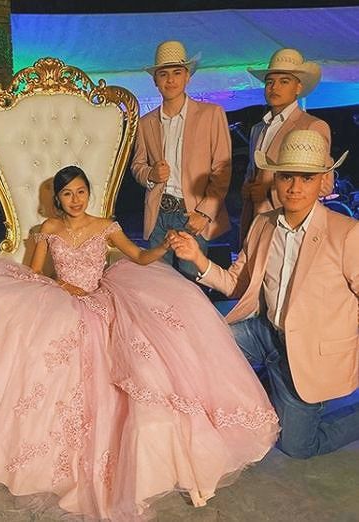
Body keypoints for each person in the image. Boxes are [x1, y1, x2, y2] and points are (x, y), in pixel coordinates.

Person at [0, 165, 277, 519]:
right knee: (27, 355)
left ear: (90, 193)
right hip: (63, 298)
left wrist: (163, 244)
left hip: (105, 296)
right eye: (67, 193)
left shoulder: (106, 227)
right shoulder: (46, 229)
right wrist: (61, 290)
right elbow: (35, 275)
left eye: (81, 192)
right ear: (57, 199)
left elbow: (140, 258)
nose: (75, 199)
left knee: (141, 359)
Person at [168, 130, 358, 459]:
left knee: (298, 447)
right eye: (287, 176)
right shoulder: (263, 224)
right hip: (265, 333)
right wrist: (197, 259)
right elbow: (237, 283)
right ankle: (242, 407)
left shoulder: (347, 233)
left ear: (321, 181)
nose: (295, 187)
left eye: (306, 177)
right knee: (203, 342)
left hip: (310, 354)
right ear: (275, 178)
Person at [131, 40, 231, 279]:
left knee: (191, 283)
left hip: (191, 213)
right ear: (155, 80)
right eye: (163, 74)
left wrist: (205, 214)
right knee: (159, 282)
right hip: (158, 213)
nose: (170, 80)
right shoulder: (146, 123)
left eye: (177, 73)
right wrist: (151, 176)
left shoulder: (211, 114)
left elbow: (222, 169)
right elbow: (137, 166)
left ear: (188, 77)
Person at [240, 48, 333, 243]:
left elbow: (324, 185)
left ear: (298, 87)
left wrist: (268, 190)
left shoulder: (311, 125)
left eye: (284, 81)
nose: (275, 88)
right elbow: (252, 172)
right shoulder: (258, 128)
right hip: (254, 224)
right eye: (270, 82)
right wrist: (247, 188)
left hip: (289, 228)